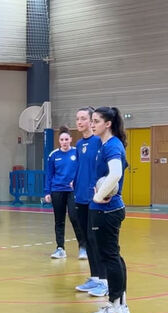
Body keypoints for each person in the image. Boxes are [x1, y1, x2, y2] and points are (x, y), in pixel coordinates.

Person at [87, 107, 129, 313]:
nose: (92, 124)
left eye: (96, 121)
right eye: (91, 121)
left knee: (109, 257)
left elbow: (116, 174)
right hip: (109, 209)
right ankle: (121, 303)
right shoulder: (105, 145)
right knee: (114, 256)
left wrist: (98, 197)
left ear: (108, 124)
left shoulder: (112, 146)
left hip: (107, 210)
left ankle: (114, 308)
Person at [72, 107, 109, 295]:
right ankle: (94, 278)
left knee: (96, 239)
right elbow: (81, 167)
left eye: (83, 118)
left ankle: (104, 280)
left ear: (91, 121)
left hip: (94, 198)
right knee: (87, 239)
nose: (79, 122)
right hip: (80, 196)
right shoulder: (79, 144)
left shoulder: (99, 141)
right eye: (77, 118)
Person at [44, 127, 84, 259]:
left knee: (74, 217)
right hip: (57, 190)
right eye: (62, 139)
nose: (64, 142)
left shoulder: (77, 152)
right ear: (59, 141)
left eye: (67, 139)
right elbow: (49, 174)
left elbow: (82, 169)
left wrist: (77, 181)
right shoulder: (53, 155)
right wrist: (47, 192)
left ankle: (83, 247)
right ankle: (60, 248)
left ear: (71, 140)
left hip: (73, 191)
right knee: (59, 220)